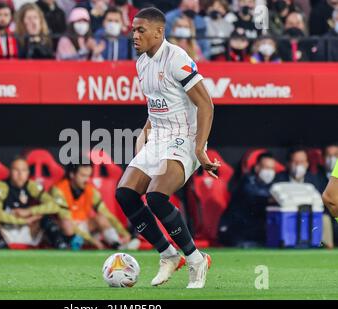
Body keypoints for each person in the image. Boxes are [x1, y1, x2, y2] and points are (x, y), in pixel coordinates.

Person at [116, 7, 218, 289]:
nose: (134, 35)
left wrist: (200, 149)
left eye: (141, 30)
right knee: (125, 194)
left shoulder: (177, 59)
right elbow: (156, 103)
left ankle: (196, 259)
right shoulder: (141, 63)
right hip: (159, 134)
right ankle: (168, 254)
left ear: (159, 31)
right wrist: (144, 133)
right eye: (133, 30)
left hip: (185, 135)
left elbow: (206, 104)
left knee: (157, 197)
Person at [51, 163, 134, 250]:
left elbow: (106, 214)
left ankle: (117, 244)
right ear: (72, 174)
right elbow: (66, 222)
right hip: (66, 231)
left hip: (83, 227)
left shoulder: (90, 190)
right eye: (83, 176)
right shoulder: (58, 190)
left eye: (88, 176)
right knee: (66, 223)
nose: (86, 179)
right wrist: (93, 241)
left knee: (101, 218)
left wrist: (124, 233)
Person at [0, 157, 68, 249]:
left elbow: (54, 206)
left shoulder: (31, 185)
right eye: (16, 170)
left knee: (47, 219)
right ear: (10, 172)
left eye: (24, 170)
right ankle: (0, 249)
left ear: (28, 173)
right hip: (7, 229)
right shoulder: (2, 186)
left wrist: (29, 211)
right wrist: (23, 220)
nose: (20, 174)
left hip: (28, 229)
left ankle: (61, 246)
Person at [218, 152, 277, 247]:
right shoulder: (247, 180)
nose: (269, 172)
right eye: (266, 168)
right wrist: (273, 199)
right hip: (237, 231)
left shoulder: (272, 184)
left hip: (256, 233)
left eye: (272, 168)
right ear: (257, 167)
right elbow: (254, 195)